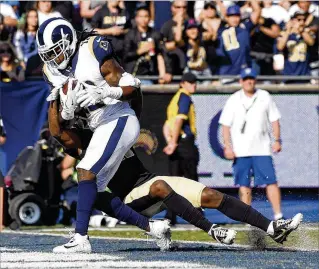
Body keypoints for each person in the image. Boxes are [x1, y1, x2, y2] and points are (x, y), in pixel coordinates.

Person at [56, 115, 303, 247]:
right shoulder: (84, 151)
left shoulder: (115, 128)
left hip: (149, 180)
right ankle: (211, 230)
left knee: (210, 195)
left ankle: (272, 229)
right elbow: (59, 133)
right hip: (130, 198)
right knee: (161, 187)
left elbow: (132, 108)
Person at [38, 17, 170, 253]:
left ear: (68, 42)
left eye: (55, 52)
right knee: (93, 191)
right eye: (47, 54)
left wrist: (106, 92)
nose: (52, 59)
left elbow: (132, 85)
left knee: (85, 171)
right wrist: (60, 102)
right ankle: (153, 227)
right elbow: (59, 124)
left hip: (118, 116)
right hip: (99, 124)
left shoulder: (92, 49)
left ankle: (80, 238)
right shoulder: (52, 70)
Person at [219, 67, 285, 221]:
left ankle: (278, 214)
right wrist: (228, 146)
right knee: (244, 184)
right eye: (246, 79)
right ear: (241, 81)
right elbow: (225, 126)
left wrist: (277, 140)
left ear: (255, 80)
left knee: (271, 181)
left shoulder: (264, 96)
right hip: (241, 150)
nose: (249, 81)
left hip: (262, 149)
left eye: (252, 79)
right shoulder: (234, 99)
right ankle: (247, 216)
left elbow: (274, 119)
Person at [162, 72, 199, 224]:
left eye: (194, 82)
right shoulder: (184, 97)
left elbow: (166, 124)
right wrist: (173, 142)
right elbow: (178, 121)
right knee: (192, 181)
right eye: (190, 82)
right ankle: (198, 215)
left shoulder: (174, 99)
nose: (193, 85)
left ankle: (170, 216)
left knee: (173, 181)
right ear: (183, 83)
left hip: (176, 143)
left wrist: (169, 141)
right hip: (184, 143)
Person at [123, 4, 166, 85]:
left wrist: (163, 74)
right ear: (136, 18)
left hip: (150, 75)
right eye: (141, 16)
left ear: (150, 18)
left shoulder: (155, 34)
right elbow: (125, 56)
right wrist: (140, 51)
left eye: (146, 16)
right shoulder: (130, 34)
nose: (144, 19)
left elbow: (161, 55)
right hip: (132, 75)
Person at [216, 1, 261, 78]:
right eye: (232, 16)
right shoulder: (220, 29)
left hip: (242, 71)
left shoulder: (245, 27)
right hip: (226, 71)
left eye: (237, 16)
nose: (235, 19)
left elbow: (257, 11)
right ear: (227, 17)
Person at [277, 11, 315, 80]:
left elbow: (311, 42)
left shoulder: (307, 34)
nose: (302, 22)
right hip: (288, 74)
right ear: (293, 21)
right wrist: (288, 30)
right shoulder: (284, 34)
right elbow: (280, 47)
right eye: (299, 20)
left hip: (304, 75)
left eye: (304, 20)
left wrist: (301, 31)